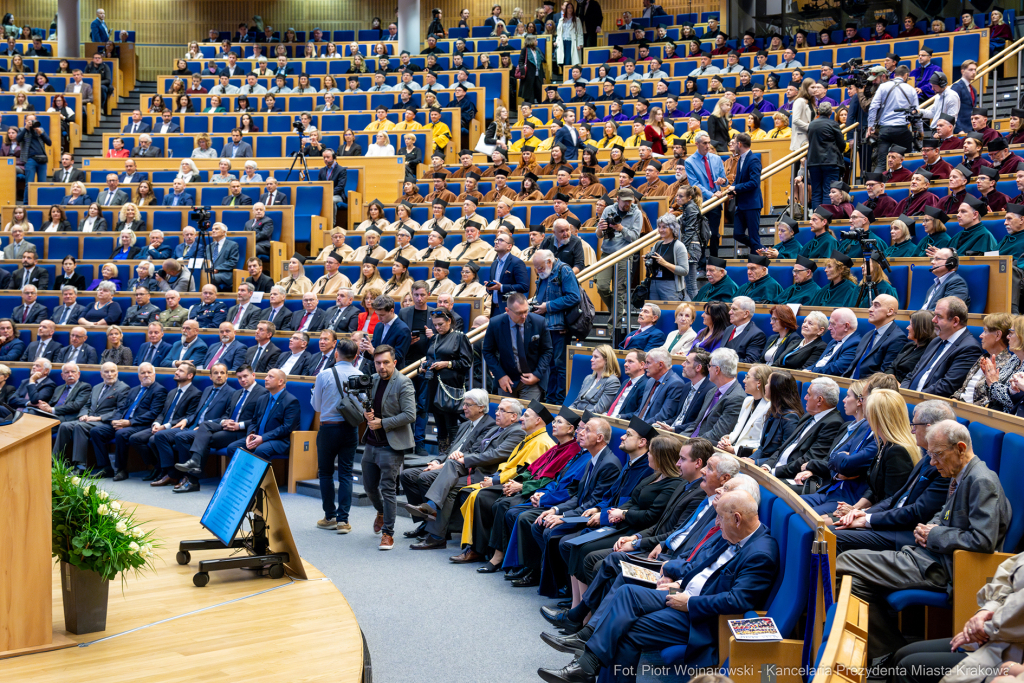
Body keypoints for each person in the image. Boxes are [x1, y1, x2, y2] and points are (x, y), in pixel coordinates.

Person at [837, 419, 1010, 660]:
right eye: (930, 454)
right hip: (926, 556)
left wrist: (935, 534)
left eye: (937, 454)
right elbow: (948, 513)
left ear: (960, 448)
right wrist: (930, 526)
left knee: (841, 561)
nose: (932, 462)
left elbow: (983, 540)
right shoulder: (959, 472)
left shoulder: (981, 481)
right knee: (855, 585)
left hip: (942, 569)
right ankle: (891, 654)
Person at [357, 345, 415, 551]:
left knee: (388, 489)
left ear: (394, 362)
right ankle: (381, 511)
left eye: (385, 363)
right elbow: (366, 403)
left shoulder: (403, 383)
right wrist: (366, 413)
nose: (381, 367)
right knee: (369, 487)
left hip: (392, 445)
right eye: (378, 363)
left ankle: (388, 533)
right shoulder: (371, 379)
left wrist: (383, 422)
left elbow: (410, 415)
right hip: (372, 442)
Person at [55, 362, 131, 471]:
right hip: (90, 419)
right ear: (101, 374)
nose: (110, 374)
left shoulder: (123, 388)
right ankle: (55, 461)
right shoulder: (96, 387)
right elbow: (87, 405)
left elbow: (120, 410)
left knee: (79, 427)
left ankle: (80, 465)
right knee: (64, 426)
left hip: (105, 422)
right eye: (106, 371)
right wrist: (83, 414)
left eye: (112, 371)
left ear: (117, 373)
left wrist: (99, 418)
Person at [531, 249, 581, 403]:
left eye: (540, 267)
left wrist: (548, 306)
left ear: (549, 262)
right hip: (545, 326)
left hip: (559, 327)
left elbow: (574, 297)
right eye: (536, 268)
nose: (538, 271)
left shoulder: (564, 270)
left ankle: (558, 401)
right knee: (549, 365)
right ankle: (551, 398)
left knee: (559, 366)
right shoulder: (544, 273)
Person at [483, 292, 552, 401]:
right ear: (507, 311)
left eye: (526, 311)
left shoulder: (539, 322)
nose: (524, 316)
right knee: (507, 414)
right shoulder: (496, 323)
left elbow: (547, 351)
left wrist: (537, 375)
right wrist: (500, 375)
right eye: (519, 313)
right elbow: (488, 351)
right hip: (507, 378)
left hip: (532, 377)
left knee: (527, 414)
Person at [571, 345, 621, 413]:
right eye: (592, 356)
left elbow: (599, 409)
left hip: (591, 419)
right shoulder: (588, 378)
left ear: (606, 360)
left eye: (596, 357)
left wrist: (578, 418)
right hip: (577, 416)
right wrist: (567, 414)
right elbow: (576, 403)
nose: (591, 359)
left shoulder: (612, 381)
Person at [17, 115, 51, 203]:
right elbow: (18, 139)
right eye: (30, 120)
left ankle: (42, 203)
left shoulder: (40, 130)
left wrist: (41, 133)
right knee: (29, 184)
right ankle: (26, 204)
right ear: (25, 121)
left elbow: (49, 143)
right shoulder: (22, 130)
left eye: (33, 120)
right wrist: (26, 128)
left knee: (42, 184)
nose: (32, 122)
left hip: (42, 160)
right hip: (30, 160)